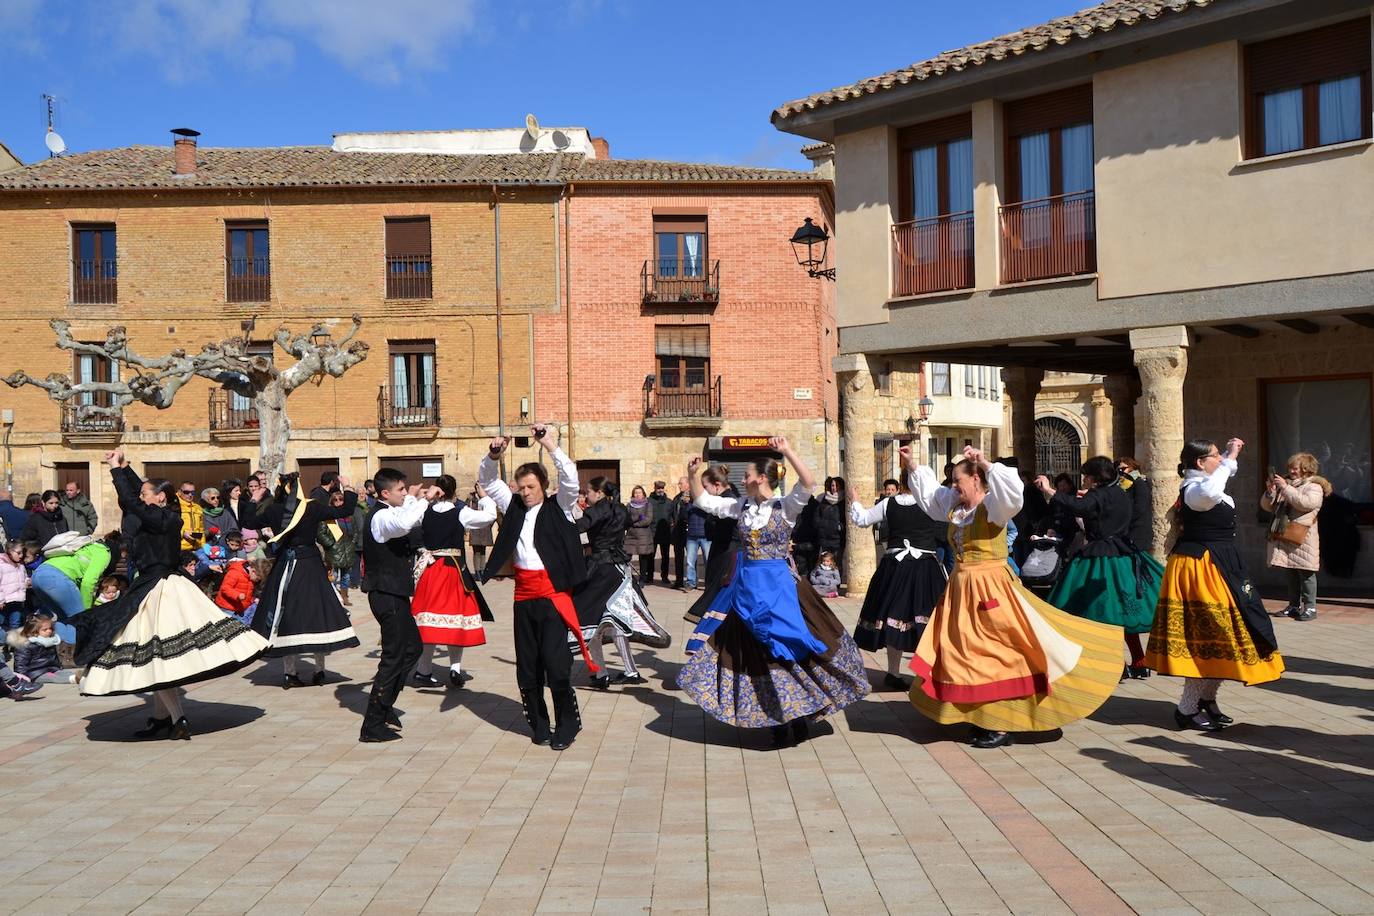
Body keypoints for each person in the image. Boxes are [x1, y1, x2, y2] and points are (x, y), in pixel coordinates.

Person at [906, 445, 1124, 749]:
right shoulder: (957, 509)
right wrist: (914, 465)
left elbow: (1012, 495)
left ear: (977, 481)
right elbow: (931, 499)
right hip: (961, 590)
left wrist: (985, 462)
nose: (953, 486)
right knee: (966, 655)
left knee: (1000, 654)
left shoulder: (993, 506)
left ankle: (999, 721)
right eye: (953, 481)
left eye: (958, 480)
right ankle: (976, 715)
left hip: (990, 589)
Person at [679, 438, 870, 748]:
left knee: (789, 649)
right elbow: (704, 502)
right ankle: (781, 720)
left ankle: (800, 714)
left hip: (781, 588)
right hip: (749, 590)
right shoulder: (740, 506)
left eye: (747, 474)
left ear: (762, 479)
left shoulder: (785, 506)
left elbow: (808, 482)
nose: (742, 479)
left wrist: (788, 451)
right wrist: (692, 474)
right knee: (759, 656)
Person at [76, 450, 268, 739]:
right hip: (166, 583)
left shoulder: (157, 517)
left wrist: (115, 470)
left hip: (158, 588)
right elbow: (137, 495)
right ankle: (161, 716)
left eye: (146, 493)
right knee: (159, 659)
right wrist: (126, 468)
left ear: (160, 498)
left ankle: (178, 719)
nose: (141, 496)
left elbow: (131, 500)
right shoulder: (169, 514)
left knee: (157, 657)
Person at [1145, 438, 1285, 731]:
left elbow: (1219, 483)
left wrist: (1265, 491)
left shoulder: (1206, 485)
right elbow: (1210, 490)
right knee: (1208, 638)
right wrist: (1231, 456)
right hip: (1200, 569)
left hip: (1219, 565)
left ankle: (1206, 700)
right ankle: (1187, 708)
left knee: (1227, 636)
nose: (1220, 460)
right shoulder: (1196, 489)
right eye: (1215, 456)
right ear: (1199, 463)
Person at [479, 425, 594, 751]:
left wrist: (551, 446)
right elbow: (488, 481)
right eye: (522, 486)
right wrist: (493, 455)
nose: (526, 492)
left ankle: (567, 726)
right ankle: (539, 726)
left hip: (553, 596)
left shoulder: (560, 505)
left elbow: (570, 478)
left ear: (543, 486)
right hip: (523, 597)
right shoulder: (513, 505)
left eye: (532, 486)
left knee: (556, 664)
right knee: (527, 667)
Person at [1036, 457, 1164, 681]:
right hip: (1124, 554)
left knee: (1100, 611)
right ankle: (1139, 661)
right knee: (1122, 609)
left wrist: (1049, 490)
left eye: (1086, 475)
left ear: (1095, 477)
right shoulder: (1121, 493)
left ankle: (1117, 664)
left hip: (1100, 557)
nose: (1084, 479)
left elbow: (1080, 507)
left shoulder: (1098, 494)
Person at [236, 472, 361, 689]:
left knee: (286, 614)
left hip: (286, 564)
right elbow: (345, 510)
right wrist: (348, 488)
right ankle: (319, 670)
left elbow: (246, 521)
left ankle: (289, 673)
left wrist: (253, 499)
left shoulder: (274, 510)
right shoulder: (310, 507)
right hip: (310, 564)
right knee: (317, 611)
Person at [848, 459, 948, 691]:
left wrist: (854, 502)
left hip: (895, 568)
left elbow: (862, 519)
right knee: (927, 619)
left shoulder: (888, 503)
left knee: (895, 617)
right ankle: (929, 674)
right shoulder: (932, 503)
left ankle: (893, 672)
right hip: (924, 567)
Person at [359, 468, 438, 742]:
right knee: (393, 656)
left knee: (413, 648)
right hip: (385, 592)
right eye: (401, 490)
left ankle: (386, 703)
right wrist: (422, 499)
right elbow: (404, 525)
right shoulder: (380, 516)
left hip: (395, 593)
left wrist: (413, 500)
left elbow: (408, 524)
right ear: (385, 493)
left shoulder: (391, 512)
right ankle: (372, 724)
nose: (405, 493)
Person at [573, 477, 670, 689]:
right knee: (613, 621)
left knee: (590, 621)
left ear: (598, 493)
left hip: (600, 570)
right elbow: (629, 522)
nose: (586, 496)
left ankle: (602, 673)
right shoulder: (619, 509)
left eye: (588, 492)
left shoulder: (596, 510)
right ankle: (627, 671)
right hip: (619, 569)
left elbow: (579, 528)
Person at [410, 475, 498, 690]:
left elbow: (408, 519)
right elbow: (489, 516)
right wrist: (484, 497)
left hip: (430, 570)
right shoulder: (462, 512)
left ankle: (424, 670)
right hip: (452, 571)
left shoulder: (424, 510)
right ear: (454, 491)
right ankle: (455, 668)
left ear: (436, 490)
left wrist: (421, 499)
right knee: (455, 618)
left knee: (428, 621)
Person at [1261, 453, 1330, 622]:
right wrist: (1270, 493)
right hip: (1285, 533)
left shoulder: (1314, 486)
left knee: (1306, 572)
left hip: (1302, 536)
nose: (1291, 470)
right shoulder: (1287, 484)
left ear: (1306, 469)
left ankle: (1310, 607)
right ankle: (1293, 605)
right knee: (1290, 570)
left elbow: (1306, 503)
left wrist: (1286, 488)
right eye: (1290, 467)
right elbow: (1268, 507)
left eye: (1295, 468)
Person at [30, 531, 112, 645]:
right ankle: (75, 653)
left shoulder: (85, 546)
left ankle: (62, 651)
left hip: (37, 575)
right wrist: (87, 610)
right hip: (56, 578)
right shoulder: (103, 552)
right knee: (79, 619)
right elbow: (88, 582)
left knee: (63, 617)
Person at [683, 466, 741, 626]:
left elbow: (704, 502)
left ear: (717, 484)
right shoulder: (723, 498)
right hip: (721, 551)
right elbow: (702, 501)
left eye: (706, 487)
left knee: (720, 594)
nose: (705, 491)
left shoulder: (729, 501)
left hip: (728, 554)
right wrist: (692, 474)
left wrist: (692, 475)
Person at [8, 614, 78, 684]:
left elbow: (54, 658)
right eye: (45, 629)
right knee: (52, 677)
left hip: (51, 669)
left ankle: (79, 677)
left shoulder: (50, 641)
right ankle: (73, 679)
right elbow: (20, 664)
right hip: (35, 673)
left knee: (65, 672)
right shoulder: (25, 645)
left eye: (50, 628)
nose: (49, 631)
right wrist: (22, 678)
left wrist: (58, 667)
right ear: (33, 631)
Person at [315, 491, 356, 608]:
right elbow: (321, 534)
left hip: (347, 550)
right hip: (333, 552)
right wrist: (331, 544)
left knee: (346, 576)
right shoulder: (328, 517)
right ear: (331, 502)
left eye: (341, 499)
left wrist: (352, 543)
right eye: (335, 500)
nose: (338, 502)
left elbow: (355, 531)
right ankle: (332, 597)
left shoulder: (349, 517)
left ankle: (344, 597)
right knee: (333, 576)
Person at [1115, 457, 1153, 553]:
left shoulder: (1139, 483)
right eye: (1118, 469)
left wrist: (1124, 520)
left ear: (1132, 468)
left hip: (1137, 531)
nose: (1120, 472)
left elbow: (1140, 507)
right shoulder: (1123, 485)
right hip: (1127, 530)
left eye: (1123, 469)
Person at [215, 557, 269, 623]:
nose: (257, 581)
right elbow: (225, 588)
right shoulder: (235, 573)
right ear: (253, 571)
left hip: (238, 609)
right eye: (258, 579)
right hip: (226, 607)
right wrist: (237, 595)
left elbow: (248, 592)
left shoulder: (250, 578)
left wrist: (253, 599)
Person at [647, 480, 676, 587]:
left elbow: (673, 517)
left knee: (665, 556)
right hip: (652, 533)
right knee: (650, 556)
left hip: (665, 533)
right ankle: (649, 577)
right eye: (658, 488)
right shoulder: (648, 501)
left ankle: (665, 576)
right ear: (654, 488)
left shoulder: (669, 502)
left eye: (662, 488)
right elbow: (644, 515)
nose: (660, 490)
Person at [1, 539, 33, 633]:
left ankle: (12, 645)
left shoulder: (20, 565)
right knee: (2, 623)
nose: (21, 556)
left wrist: (28, 582)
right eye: (18, 553)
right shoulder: (2, 564)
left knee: (15, 623)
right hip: (5, 601)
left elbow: (23, 578)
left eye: (22, 553)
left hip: (17, 600)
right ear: (10, 551)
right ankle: (3, 642)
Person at [623, 486, 655, 580]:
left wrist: (634, 523)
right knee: (626, 557)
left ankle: (642, 579)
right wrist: (638, 519)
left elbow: (648, 520)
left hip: (643, 535)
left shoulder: (648, 505)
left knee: (643, 558)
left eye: (639, 493)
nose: (637, 494)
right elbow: (626, 518)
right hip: (631, 535)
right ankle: (627, 576)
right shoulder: (629, 505)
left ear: (643, 494)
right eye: (635, 493)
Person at [669, 478, 691, 588]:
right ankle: (679, 581)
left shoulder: (693, 497)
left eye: (681, 483)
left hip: (688, 531)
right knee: (678, 558)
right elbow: (672, 513)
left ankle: (691, 581)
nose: (679, 485)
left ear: (688, 484)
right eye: (679, 483)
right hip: (677, 532)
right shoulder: (677, 498)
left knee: (691, 558)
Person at [175, 482, 205, 551]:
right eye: (186, 492)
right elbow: (169, 527)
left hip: (196, 549)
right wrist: (183, 533)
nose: (190, 495)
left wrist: (203, 546)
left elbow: (201, 529)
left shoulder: (198, 508)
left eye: (193, 492)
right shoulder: (174, 507)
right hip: (180, 549)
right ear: (179, 492)